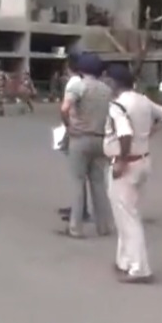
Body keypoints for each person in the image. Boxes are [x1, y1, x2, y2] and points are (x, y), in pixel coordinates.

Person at [104, 64, 162, 284]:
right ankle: (124, 260)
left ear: (114, 82)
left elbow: (124, 133)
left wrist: (121, 161)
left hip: (127, 163)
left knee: (127, 216)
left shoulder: (118, 106)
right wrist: (148, 133)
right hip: (143, 160)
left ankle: (140, 268)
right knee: (126, 213)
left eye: (107, 80)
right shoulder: (142, 100)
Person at [60, 52, 114, 238]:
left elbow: (65, 108)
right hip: (100, 138)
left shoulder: (79, 86)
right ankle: (104, 226)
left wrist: (69, 125)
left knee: (77, 181)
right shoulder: (107, 90)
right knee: (98, 183)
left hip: (80, 137)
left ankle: (75, 227)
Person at [57, 51, 91, 223]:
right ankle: (79, 207)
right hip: (84, 128)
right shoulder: (84, 81)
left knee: (78, 173)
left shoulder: (74, 82)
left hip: (75, 129)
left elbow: (67, 108)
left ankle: (79, 210)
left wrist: (68, 128)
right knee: (81, 174)